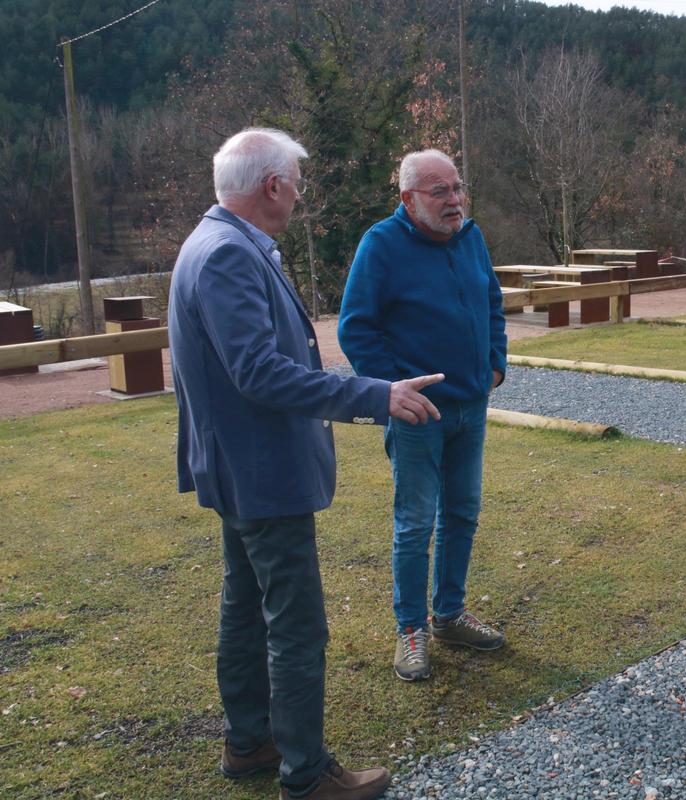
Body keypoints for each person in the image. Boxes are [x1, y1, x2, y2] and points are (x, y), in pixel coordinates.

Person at [169, 127, 444, 800]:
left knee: (245, 608)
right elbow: (260, 373)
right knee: (294, 625)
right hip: (261, 472)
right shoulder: (228, 254)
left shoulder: (213, 243)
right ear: (272, 186)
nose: (298, 195)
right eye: (295, 184)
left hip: (239, 469)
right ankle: (306, 773)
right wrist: (376, 396)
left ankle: (250, 741)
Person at [338, 149, 507, 682]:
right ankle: (410, 628)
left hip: (471, 405)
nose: (454, 200)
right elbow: (356, 328)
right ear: (409, 199)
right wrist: (392, 390)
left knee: (462, 513)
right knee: (414, 524)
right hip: (418, 413)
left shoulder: (471, 236)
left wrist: (495, 365)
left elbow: (493, 304)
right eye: (440, 192)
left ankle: (449, 616)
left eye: (457, 188)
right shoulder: (381, 245)